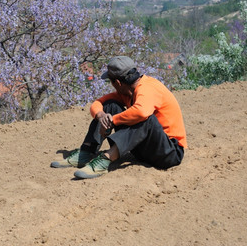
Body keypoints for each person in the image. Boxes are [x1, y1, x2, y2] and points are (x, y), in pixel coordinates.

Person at [51, 55, 187, 179]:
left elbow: (141, 112)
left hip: (169, 153)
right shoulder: (127, 92)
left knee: (146, 118)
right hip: (145, 151)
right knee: (110, 105)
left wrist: (113, 120)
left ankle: (106, 158)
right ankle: (86, 152)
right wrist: (101, 116)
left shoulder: (148, 88)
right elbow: (98, 103)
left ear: (117, 82)